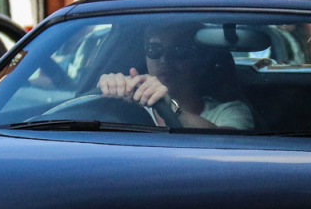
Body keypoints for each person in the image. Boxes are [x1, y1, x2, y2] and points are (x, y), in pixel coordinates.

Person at [97, 22, 254, 129]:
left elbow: (226, 146)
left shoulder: (230, 111)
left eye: (179, 51)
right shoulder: (128, 107)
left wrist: (170, 108)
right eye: (154, 49)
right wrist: (106, 90)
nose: (164, 60)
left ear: (201, 64)